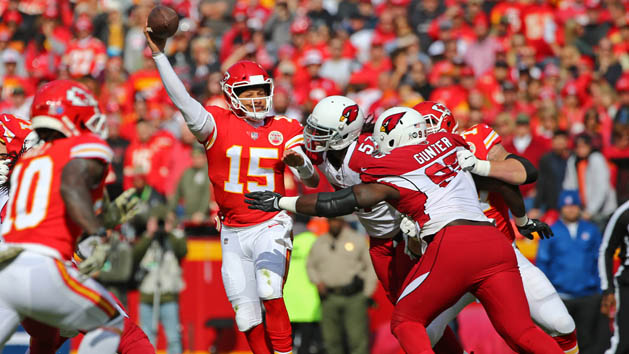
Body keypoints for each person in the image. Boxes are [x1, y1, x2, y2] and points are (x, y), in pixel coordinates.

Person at [246, 106, 563, 353]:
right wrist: (516, 213)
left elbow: (342, 202)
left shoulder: (391, 166)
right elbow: (514, 177)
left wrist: (279, 202)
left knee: (406, 321)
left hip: (453, 243)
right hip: (495, 241)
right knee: (523, 331)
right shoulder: (450, 140)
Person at [145, 22, 319, 354]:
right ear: (230, 96)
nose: (256, 99)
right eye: (247, 93)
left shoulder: (285, 126)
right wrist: (159, 56)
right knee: (246, 315)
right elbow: (181, 99)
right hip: (232, 230)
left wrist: (302, 165)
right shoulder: (216, 124)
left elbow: (310, 182)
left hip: (272, 221)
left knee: (270, 291)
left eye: (259, 92)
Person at [302, 96, 463, 352]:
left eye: (323, 133)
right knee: (402, 305)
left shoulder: (366, 154)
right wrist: (300, 166)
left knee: (419, 310)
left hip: (405, 235)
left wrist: (415, 224)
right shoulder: (322, 152)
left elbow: (411, 179)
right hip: (378, 240)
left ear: (345, 133)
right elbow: (309, 174)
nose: (313, 137)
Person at [425, 102, 579, 353]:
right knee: (420, 331)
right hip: (451, 262)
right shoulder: (408, 164)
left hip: (501, 255)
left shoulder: (474, 142)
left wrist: (479, 166)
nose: (426, 134)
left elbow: (523, 173)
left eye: (428, 126)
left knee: (561, 323)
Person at [0, 80, 123, 353]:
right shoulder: (78, 150)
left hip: (6, 275)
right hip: (41, 267)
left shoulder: (25, 168)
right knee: (114, 321)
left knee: (46, 339)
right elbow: (71, 188)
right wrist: (98, 230)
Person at [537, 190, 609, 354]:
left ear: (579, 208)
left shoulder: (591, 230)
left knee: (588, 340)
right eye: (567, 206)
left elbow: (599, 261)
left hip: (588, 295)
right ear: (561, 208)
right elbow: (543, 263)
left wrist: (601, 290)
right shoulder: (551, 231)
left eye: (574, 206)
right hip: (561, 296)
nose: (570, 210)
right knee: (562, 340)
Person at [306, 217, 377, 354]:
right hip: (329, 297)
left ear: (343, 222)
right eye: (332, 221)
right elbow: (310, 266)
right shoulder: (320, 242)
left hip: (354, 297)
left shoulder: (356, 240)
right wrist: (317, 281)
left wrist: (367, 292)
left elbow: (370, 267)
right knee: (331, 339)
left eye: (337, 220)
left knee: (357, 339)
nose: (334, 223)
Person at [134, 207, 187, 354]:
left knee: (174, 337)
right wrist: (150, 234)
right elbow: (135, 255)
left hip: (168, 295)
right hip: (147, 295)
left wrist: (168, 232)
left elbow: (182, 251)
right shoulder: (146, 238)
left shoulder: (174, 238)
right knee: (147, 337)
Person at [563, 133, 617, 225]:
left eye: (583, 146)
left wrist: (591, 210)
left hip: (602, 212)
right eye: (578, 147)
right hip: (583, 211)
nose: (580, 150)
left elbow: (601, 188)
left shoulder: (597, 159)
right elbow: (569, 185)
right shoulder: (573, 161)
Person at [599, 200, 629, 354]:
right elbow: (606, 249)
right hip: (627, 283)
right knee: (624, 341)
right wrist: (607, 288)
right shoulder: (624, 212)